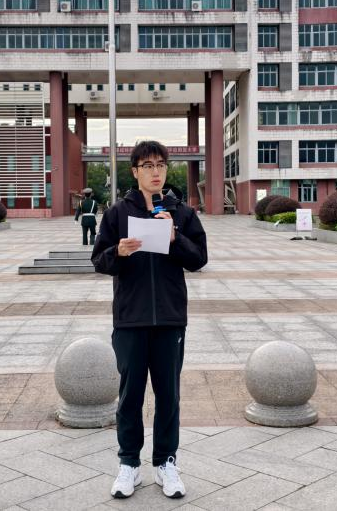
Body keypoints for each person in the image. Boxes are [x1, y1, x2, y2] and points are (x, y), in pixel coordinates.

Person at [91, 140, 207, 500]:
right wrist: (118, 251)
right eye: (148, 166)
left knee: (168, 395)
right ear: (135, 171)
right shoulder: (117, 214)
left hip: (170, 319)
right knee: (130, 397)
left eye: (160, 165)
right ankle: (129, 464)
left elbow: (199, 259)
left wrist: (175, 238)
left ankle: (165, 463)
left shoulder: (182, 213)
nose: (156, 172)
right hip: (130, 319)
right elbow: (99, 261)